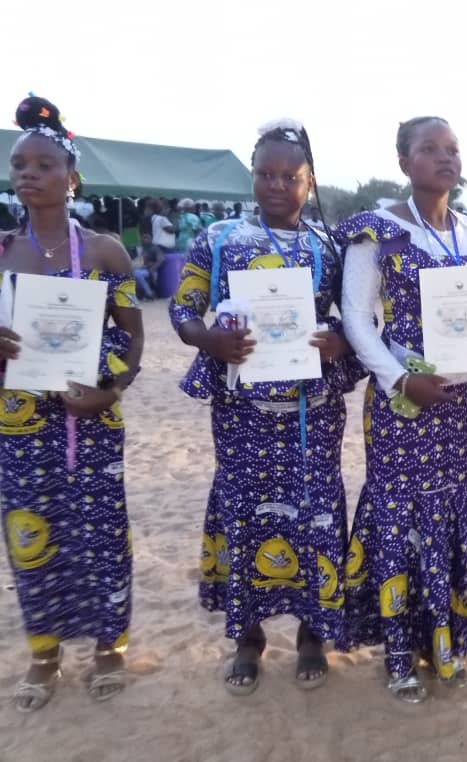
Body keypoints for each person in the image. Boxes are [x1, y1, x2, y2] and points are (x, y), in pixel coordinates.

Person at [169, 118, 362, 696]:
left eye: (290, 176)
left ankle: (312, 633)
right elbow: (183, 310)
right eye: (265, 174)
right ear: (251, 177)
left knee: (315, 513)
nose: (276, 185)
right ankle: (248, 638)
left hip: (313, 411)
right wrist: (209, 341)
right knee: (245, 513)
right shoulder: (219, 239)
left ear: (310, 181)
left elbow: (357, 318)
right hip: (242, 413)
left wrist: (338, 341)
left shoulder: (329, 247)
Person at [335, 116, 467, 703]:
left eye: (452, 149)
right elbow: (357, 319)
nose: (444, 158)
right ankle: (400, 655)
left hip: (460, 404)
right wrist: (399, 380)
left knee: (452, 511)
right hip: (402, 406)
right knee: (401, 519)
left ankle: (447, 644)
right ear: (404, 162)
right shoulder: (377, 231)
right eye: (429, 149)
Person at [1, 95, 144, 711]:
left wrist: (110, 391)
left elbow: (134, 336)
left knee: (102, 536)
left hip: (92, 422)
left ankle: (110, 646)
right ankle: (44, 653)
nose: (29, 174)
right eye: (19, 165)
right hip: (17, 429)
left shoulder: (107, 251)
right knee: (31, 537)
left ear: (71, 177)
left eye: (43, 164)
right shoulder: (2, 252)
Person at [132, 233, 163, 300]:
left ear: (151, 239)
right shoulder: (143, 248)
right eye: (144, 238)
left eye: (147, 238)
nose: (145, 239)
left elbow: (160, 260)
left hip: (152, 270)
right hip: (144, 269)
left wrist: (152, 268)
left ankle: (149, 293)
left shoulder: (155, 248)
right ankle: (140, 295)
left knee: (137, 274)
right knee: (132, 273)